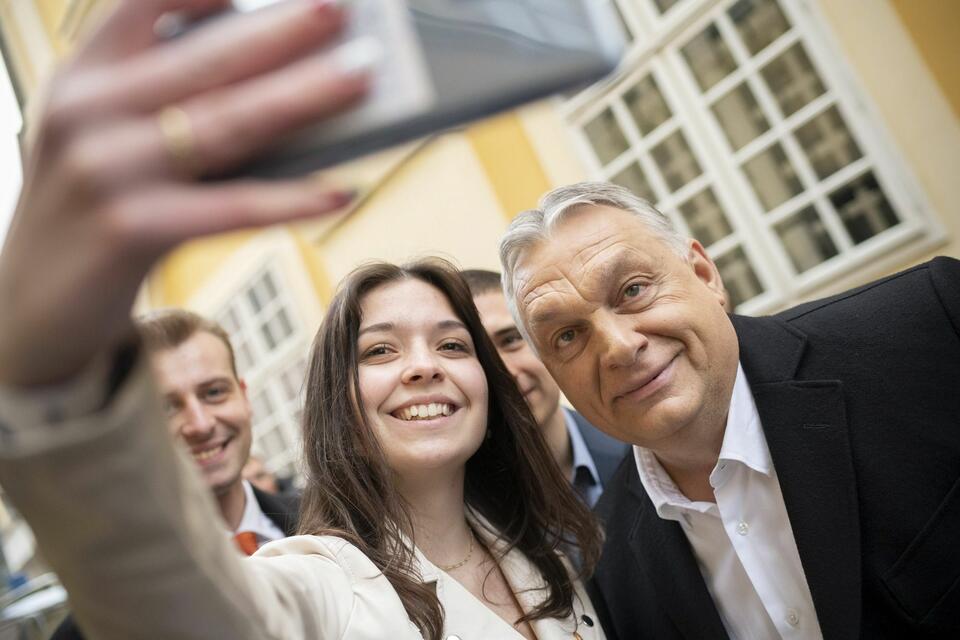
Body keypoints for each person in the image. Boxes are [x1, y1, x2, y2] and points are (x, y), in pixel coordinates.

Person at [498, 181, 960, 639]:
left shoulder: (931, 332)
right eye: (567, 336)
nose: (618, 347)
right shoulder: (609, 565)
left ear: (704, 274)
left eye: (633, 290)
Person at [49, 310, 300, 639]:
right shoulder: (98, 626)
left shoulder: (342, 529)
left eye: (213, 392)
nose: (200, 424)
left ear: (244, 396)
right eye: (166, 407)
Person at [462, 269, 628, 506]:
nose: (505, 373)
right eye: (476, 355)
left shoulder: (642, 451)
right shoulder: (460, 510)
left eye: (510, 340)